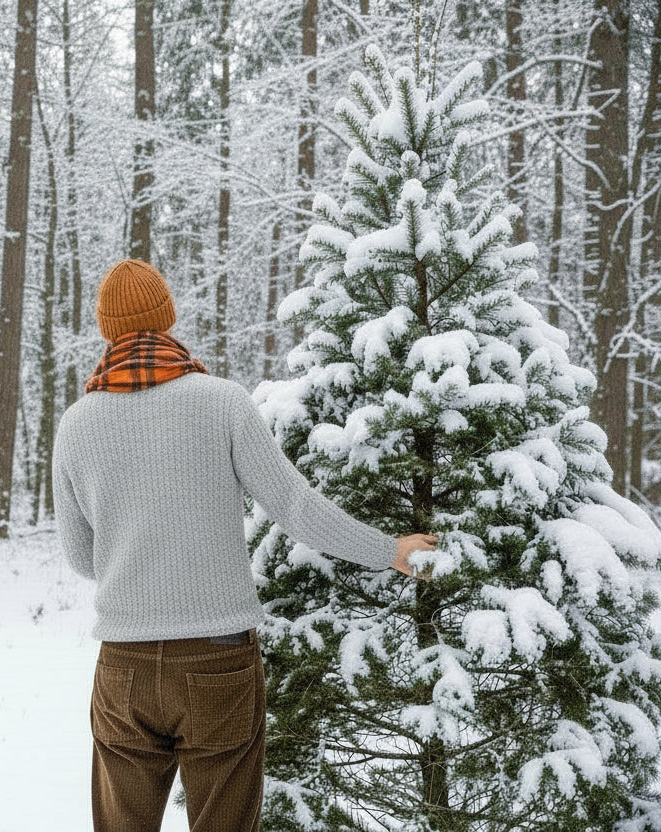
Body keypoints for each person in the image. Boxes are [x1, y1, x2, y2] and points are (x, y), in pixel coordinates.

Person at [51, 259, 438, 832]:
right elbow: (294, 506)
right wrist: (389, 549)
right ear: (167, 317)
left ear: (108, 329)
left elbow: (82, 558)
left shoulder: (77, 424)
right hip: (217, 659)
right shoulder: (222, 402)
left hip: (123, 667)